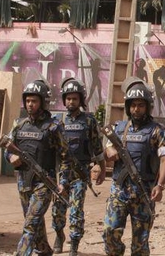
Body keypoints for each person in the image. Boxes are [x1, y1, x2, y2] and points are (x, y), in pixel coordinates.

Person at [102, 78, 165, 256]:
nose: (136, 109)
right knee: (110, 233)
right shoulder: (119, 128)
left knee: (140, 243)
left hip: (143, 193)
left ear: (148, 107)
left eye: (141, 105)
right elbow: (104, 152)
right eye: (133, 105)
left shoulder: (157, 131)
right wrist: (108, 150)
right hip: (119, 192)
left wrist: (160, 185)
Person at [3, 79, 71, 256]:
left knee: (30, 224)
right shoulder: (19, 125)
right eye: (28, 101)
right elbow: (6, 149)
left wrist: (63, 182)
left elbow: (65, 157)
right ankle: (44, 249)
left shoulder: (54, 126)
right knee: (34, 222)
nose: (30, 104)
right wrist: (11, 157)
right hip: (23, 182)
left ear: (43, 102)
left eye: (34, 101)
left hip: (43, 183)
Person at [52, 77, 106, 256]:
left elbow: (97, 147)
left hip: (80, 173)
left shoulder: (89, 121)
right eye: (68, 98)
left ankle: (74, 244)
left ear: (80, 100)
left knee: (76, 211)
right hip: (61, 175)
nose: (71, 102)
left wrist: (102, 168)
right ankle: (59, 235)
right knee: (57, 211)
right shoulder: (58, 121)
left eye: (74, 99)